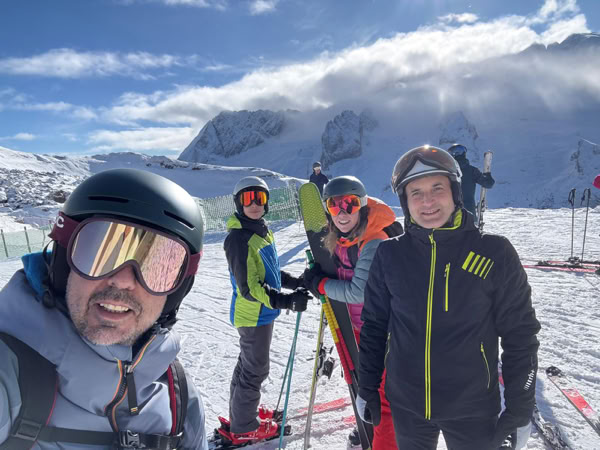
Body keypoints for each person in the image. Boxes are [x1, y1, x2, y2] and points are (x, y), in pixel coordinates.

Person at [0, 168, 209, 449]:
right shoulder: (8, 372)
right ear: (63, 263)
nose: (123, 281)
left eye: (157, 267)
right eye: (99, 254)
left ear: (177, 291)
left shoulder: (177, 394)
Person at [357, 146, 541, 450]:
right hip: (407, 406)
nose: (427, 201)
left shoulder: (494, 252)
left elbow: (520, 335)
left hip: (473, 408)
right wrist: (367, 386)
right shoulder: (390, 254)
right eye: (416, 192)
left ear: (455, 192)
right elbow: (374, 326)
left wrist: (520, 408)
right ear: (405, 201)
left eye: (437, 188)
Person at [302, 175, 400, 449]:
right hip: (356, 327)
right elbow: (338, 272)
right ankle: (368, 425)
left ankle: (384, 440)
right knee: (359, 381)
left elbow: (359, 292)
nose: (342, 213)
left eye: (350, 204)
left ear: (362, 205)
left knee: (383, 396)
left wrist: (321, 285)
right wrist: (316, 276)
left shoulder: (373, 241)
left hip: (382, 332)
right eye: (334, 206)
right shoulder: (342, 239)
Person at [221, 176, 310, 445]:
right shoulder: (239, 239)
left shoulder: (260, 231)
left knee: (247, 366)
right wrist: (286, 301)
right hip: (253, 314)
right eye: (248, 198)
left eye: (259, 198)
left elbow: (270, 272)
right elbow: (250, 288)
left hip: (261, 313)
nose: (254, 204)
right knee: (255, 370)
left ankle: (241, 415)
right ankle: (245, 426)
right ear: (238, 203)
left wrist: (296, 282)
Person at [447, 143, 495, 222]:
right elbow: (488, 184)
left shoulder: (448, 172)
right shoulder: (472, 171)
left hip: (451, 213)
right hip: (469, 213)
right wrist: (487, 174)